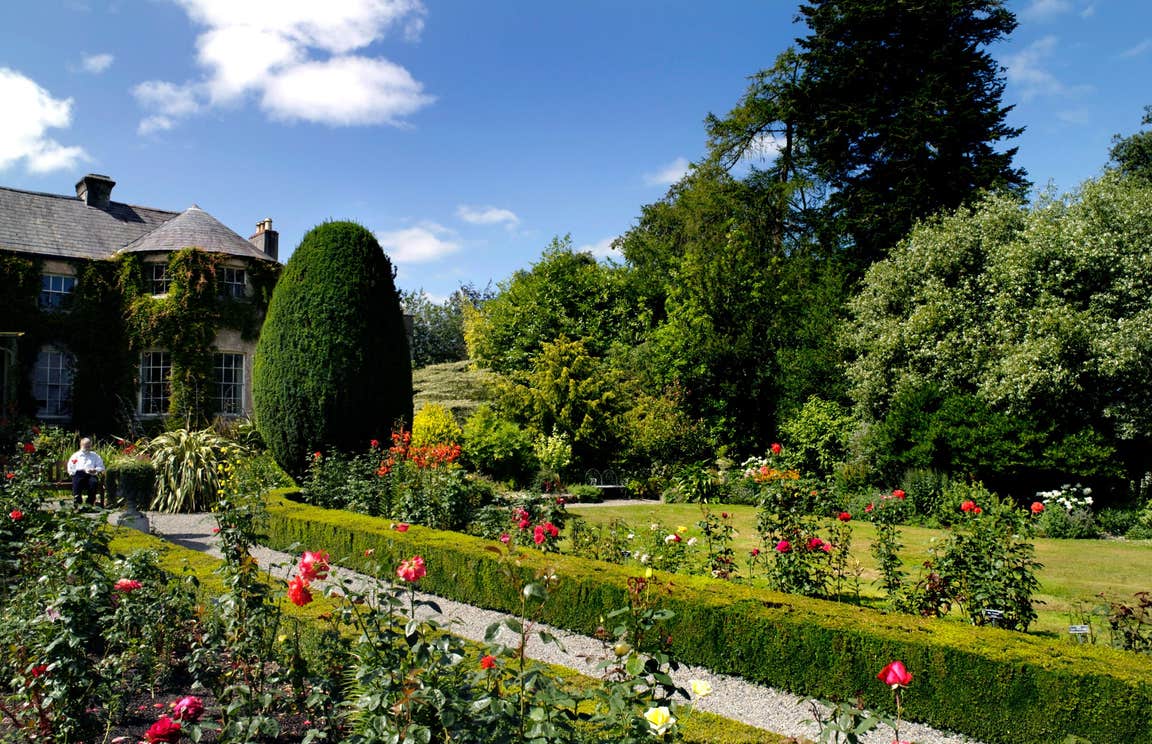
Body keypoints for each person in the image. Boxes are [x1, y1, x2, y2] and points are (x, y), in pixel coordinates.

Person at [68, 437, 105, 506]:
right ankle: (77, 503)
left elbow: (101, 467)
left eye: (89, 446)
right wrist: (73, 473)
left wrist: (95, 469)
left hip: (91, 474)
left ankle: (89, 504)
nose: (88, 448)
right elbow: (70, 468)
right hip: (79, 474)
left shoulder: (95, 456)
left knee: (94, 482)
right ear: (81, 445)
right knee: (77, 480)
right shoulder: (75, 456)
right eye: (86, 446)